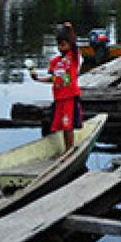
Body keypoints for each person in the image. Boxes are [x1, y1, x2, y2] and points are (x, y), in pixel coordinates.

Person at [29, 22, 83, 152]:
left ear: (69, 45)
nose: (60, 47)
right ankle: (67, 148)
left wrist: (69, 30)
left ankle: (69, 150)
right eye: (59, 44)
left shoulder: (73, 58)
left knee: (68, 124)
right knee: (62, 125)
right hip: (59, 98)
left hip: (70, 96)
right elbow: (53, 79)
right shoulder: (55, 62)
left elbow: (75, 45)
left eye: (64, 44)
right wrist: (38, 79)